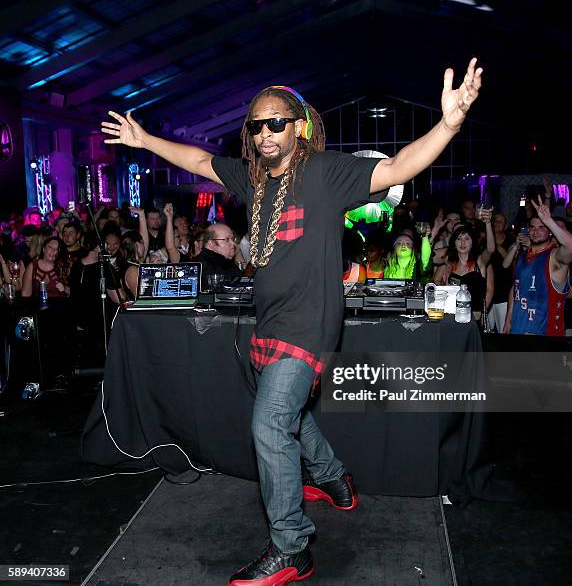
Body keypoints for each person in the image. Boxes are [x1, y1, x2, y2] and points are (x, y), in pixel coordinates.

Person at [101, 58, 483, 584]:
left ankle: (291, 546)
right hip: (269, 323)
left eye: (275, 122)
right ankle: (333, 479)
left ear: (299, 126)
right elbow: (198, 160)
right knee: (291, 415)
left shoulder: (324, 172)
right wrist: (146, 141)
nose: (264, 134)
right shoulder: (252, 178)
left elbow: (396, 169)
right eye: (256, 126)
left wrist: (449, 124)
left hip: (309, 324)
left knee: (269, 421)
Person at [503, 196, 572, 335]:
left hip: (544, 337)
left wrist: (548, 220)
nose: (535, 231)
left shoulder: (555, 257)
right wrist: (508, 319)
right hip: (518, 328)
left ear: (550, 232)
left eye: (542, 228)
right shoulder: (523, 255)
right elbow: (515, 288)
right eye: (533, 227)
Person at [434, 220, 494, 321]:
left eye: (466, 239)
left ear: (472, 242)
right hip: (453, 315)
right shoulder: (449, 262)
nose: (462, 243)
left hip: (474, 318)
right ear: (454, 242)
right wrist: (431, 235)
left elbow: (491, 249)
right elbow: (427, 259)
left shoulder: (479, 261)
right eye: (459, 239)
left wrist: (488, 223)